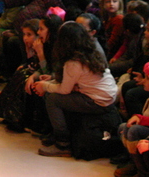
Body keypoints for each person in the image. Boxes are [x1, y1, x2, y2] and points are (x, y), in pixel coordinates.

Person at [32, 21, 118, 157]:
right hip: (107, 96)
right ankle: (57, 135)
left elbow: (64, 90)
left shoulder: (73, 62)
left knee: (53, 99)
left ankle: (63, 144)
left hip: (98, 101)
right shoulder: (90, 51)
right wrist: (51, 81)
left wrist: (44, 86)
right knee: (53, 93)